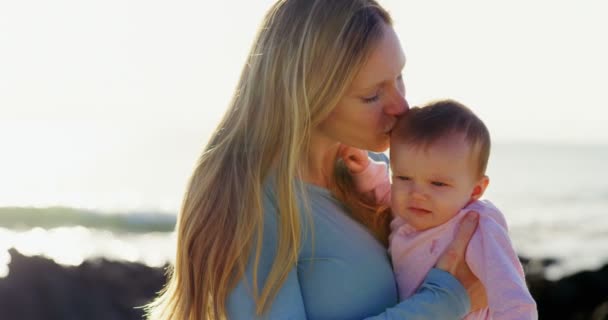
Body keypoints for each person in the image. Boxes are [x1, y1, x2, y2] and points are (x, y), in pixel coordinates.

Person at [145, 1, 485, 319]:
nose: (403, 107)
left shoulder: (363, 175)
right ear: (309, 94)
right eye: (372, 95)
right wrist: (447, 301)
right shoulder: (247, 202)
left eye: (399, 78)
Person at [341, 99, 538, 319]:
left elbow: (513, 299)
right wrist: (365, 170)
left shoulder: (478, 226)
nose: (417, 193)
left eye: (438, 184)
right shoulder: (411, 210)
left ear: (476, 190)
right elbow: (384, 197)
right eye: (403, 177)